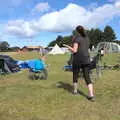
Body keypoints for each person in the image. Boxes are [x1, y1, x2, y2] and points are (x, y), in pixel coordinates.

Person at [63, 25, 95, 101]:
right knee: (87, 77)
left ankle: (75, 91)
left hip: (78, 59)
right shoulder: (87, 38)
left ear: (77, 31)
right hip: (86, 59)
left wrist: (67, 46)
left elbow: (74, 50)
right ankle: (91, 95)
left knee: (75, 75)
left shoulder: (77, 39)